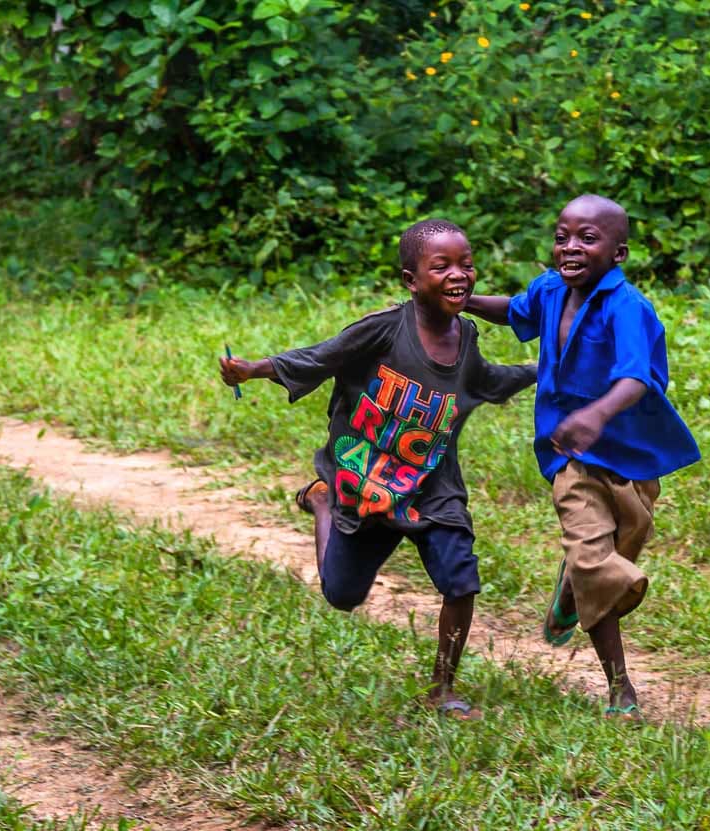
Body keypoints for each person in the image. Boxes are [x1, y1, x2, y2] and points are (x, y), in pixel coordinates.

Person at [218, 219, 536, 720]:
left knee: (461, 581)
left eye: (467, 264)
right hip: (368, 481)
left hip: (432, 485)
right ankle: (322, 500)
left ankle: (443, 688)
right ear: (411, 281)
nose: (460, 275)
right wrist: (254, 369)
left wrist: (543, 371)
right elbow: (320, 358)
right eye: (442, 266)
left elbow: (485, 380)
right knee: (343, 594)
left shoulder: (466, 335)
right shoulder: (385, 329)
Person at [465, 194, 700, 721]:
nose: (569, 247)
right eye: (562, 235)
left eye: (587, 238)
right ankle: (621, 688)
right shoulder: (550, 291)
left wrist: (598, 414)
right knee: (600, 568)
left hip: (633, 461)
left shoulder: (627, 307)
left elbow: (637, 376)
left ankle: (573, 585)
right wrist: (459, 300)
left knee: (611, 556)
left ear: (618, 253)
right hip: (568, 455)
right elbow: (515, 311)